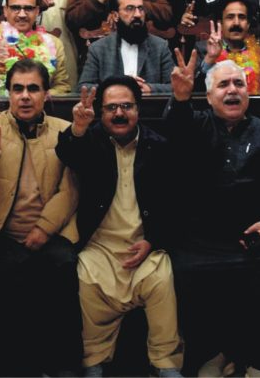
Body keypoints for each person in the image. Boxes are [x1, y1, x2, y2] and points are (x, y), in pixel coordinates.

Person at [163, 50, 260, 375]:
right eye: (223, 85)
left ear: (248, 92)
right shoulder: (193, 124)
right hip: (199, 240)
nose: (232, 90)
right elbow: (173, 131)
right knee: (184, 272)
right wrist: (181, 99)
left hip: (250, 239)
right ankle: (211, 354)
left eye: (238, 83)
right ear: (208, 97)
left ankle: (250, 357)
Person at [57, 77, 183, 377]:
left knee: (161, 277)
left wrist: (152, 241)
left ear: (138, 110)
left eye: (127, 106)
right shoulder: (91, 141)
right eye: (111, 108)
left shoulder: (158, 146)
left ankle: (165, 363)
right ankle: (93, 361)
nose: (119, 114)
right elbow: (68, 153)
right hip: (100, 246)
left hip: (144, 245)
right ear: (101, 113)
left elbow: (174, 203)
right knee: (86, 276)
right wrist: (78, 128)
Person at [0, 59, 81, 375]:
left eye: (33, 89)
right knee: (11, 278)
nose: (25, 96)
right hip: (4, 235)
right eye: (18, 89)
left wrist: (43, 230)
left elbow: (70, 190)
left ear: (46, 94)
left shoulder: (63, 130)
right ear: (9, 94)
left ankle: (62, 367)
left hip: (52, 232)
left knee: (63, 267)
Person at [79, 0, 174, 94]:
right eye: (130, 8)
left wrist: (149, 88)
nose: (138, 14)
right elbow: (83, 87)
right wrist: (117, 87)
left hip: (148, 104)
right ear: (115, 15)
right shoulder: (98, 49)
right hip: (113, 104)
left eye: (141, 9)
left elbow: (174, 86)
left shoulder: (160, 46)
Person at [196, 0, 260, 95]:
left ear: (248, 24)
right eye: (230, 17)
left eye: (242, 17)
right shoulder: (203, 50)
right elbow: (196, 90)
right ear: (220, 23)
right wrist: (210, 59)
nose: (236, 23)